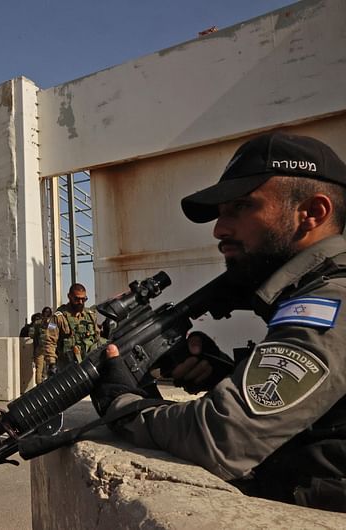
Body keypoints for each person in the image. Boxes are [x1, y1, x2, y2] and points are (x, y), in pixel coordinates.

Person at [92, 131, 346, 512]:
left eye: (242, 207)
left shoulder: (331, 299)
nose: (219, 229)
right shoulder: (312, 289)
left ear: (312, 212)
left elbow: (223, 437)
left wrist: (125, 405)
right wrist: (227, 373)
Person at [55, 284, 103, 370]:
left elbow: (97, 337)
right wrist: (51, 363)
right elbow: (49, 341)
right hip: (67, 366)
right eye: (77, 299)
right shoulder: (58, 317)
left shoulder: (91, 315)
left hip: (88, 364)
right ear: (69, 297)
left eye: (83, 299)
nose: (80, 302)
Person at [31, 307, 68, 384]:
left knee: (39, 368)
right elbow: (53, 334)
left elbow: (32, 335)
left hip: (40, 347)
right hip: (51, 347)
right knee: (50, 366)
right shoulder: (52, 322)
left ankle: (39, 385)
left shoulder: (38, 323)